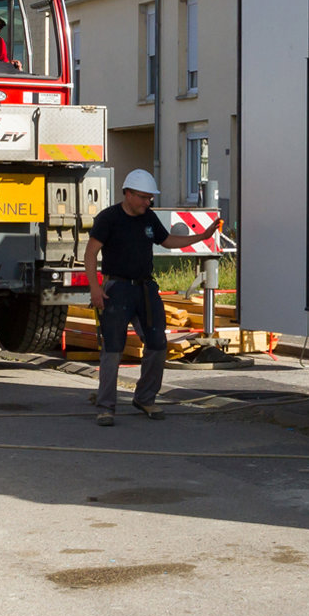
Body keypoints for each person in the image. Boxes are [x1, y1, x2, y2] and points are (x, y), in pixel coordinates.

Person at [84, 170, 221, 427]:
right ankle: (106, 407)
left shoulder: (149, 218)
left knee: (158, 344)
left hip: (145, 289)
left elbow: (167, 240)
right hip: (117, 288)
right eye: (144, 198)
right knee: (113, 349)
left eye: (150, 198)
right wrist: (95, 288)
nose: (148, 203)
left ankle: (145, 398)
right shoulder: (109, 218)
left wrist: (202, 237)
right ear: (128, 194)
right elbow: (91, 253)